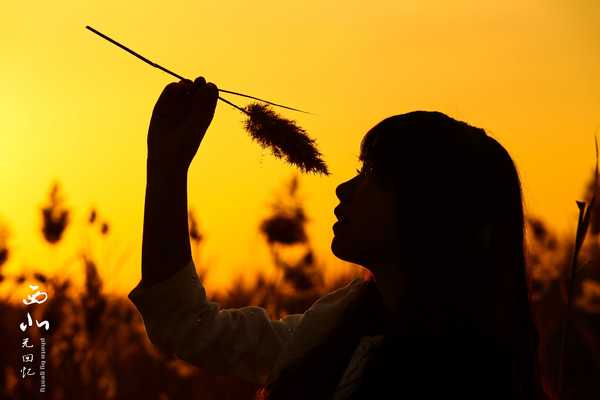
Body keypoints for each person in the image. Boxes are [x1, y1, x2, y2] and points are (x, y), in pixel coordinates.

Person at [128, 77, 549, 399]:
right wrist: (167, 166)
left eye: (371, 174)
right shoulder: (337, 326)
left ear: (426, 209)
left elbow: (186, 326)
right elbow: (186, 325)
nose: (344, 189)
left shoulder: (465, 373)